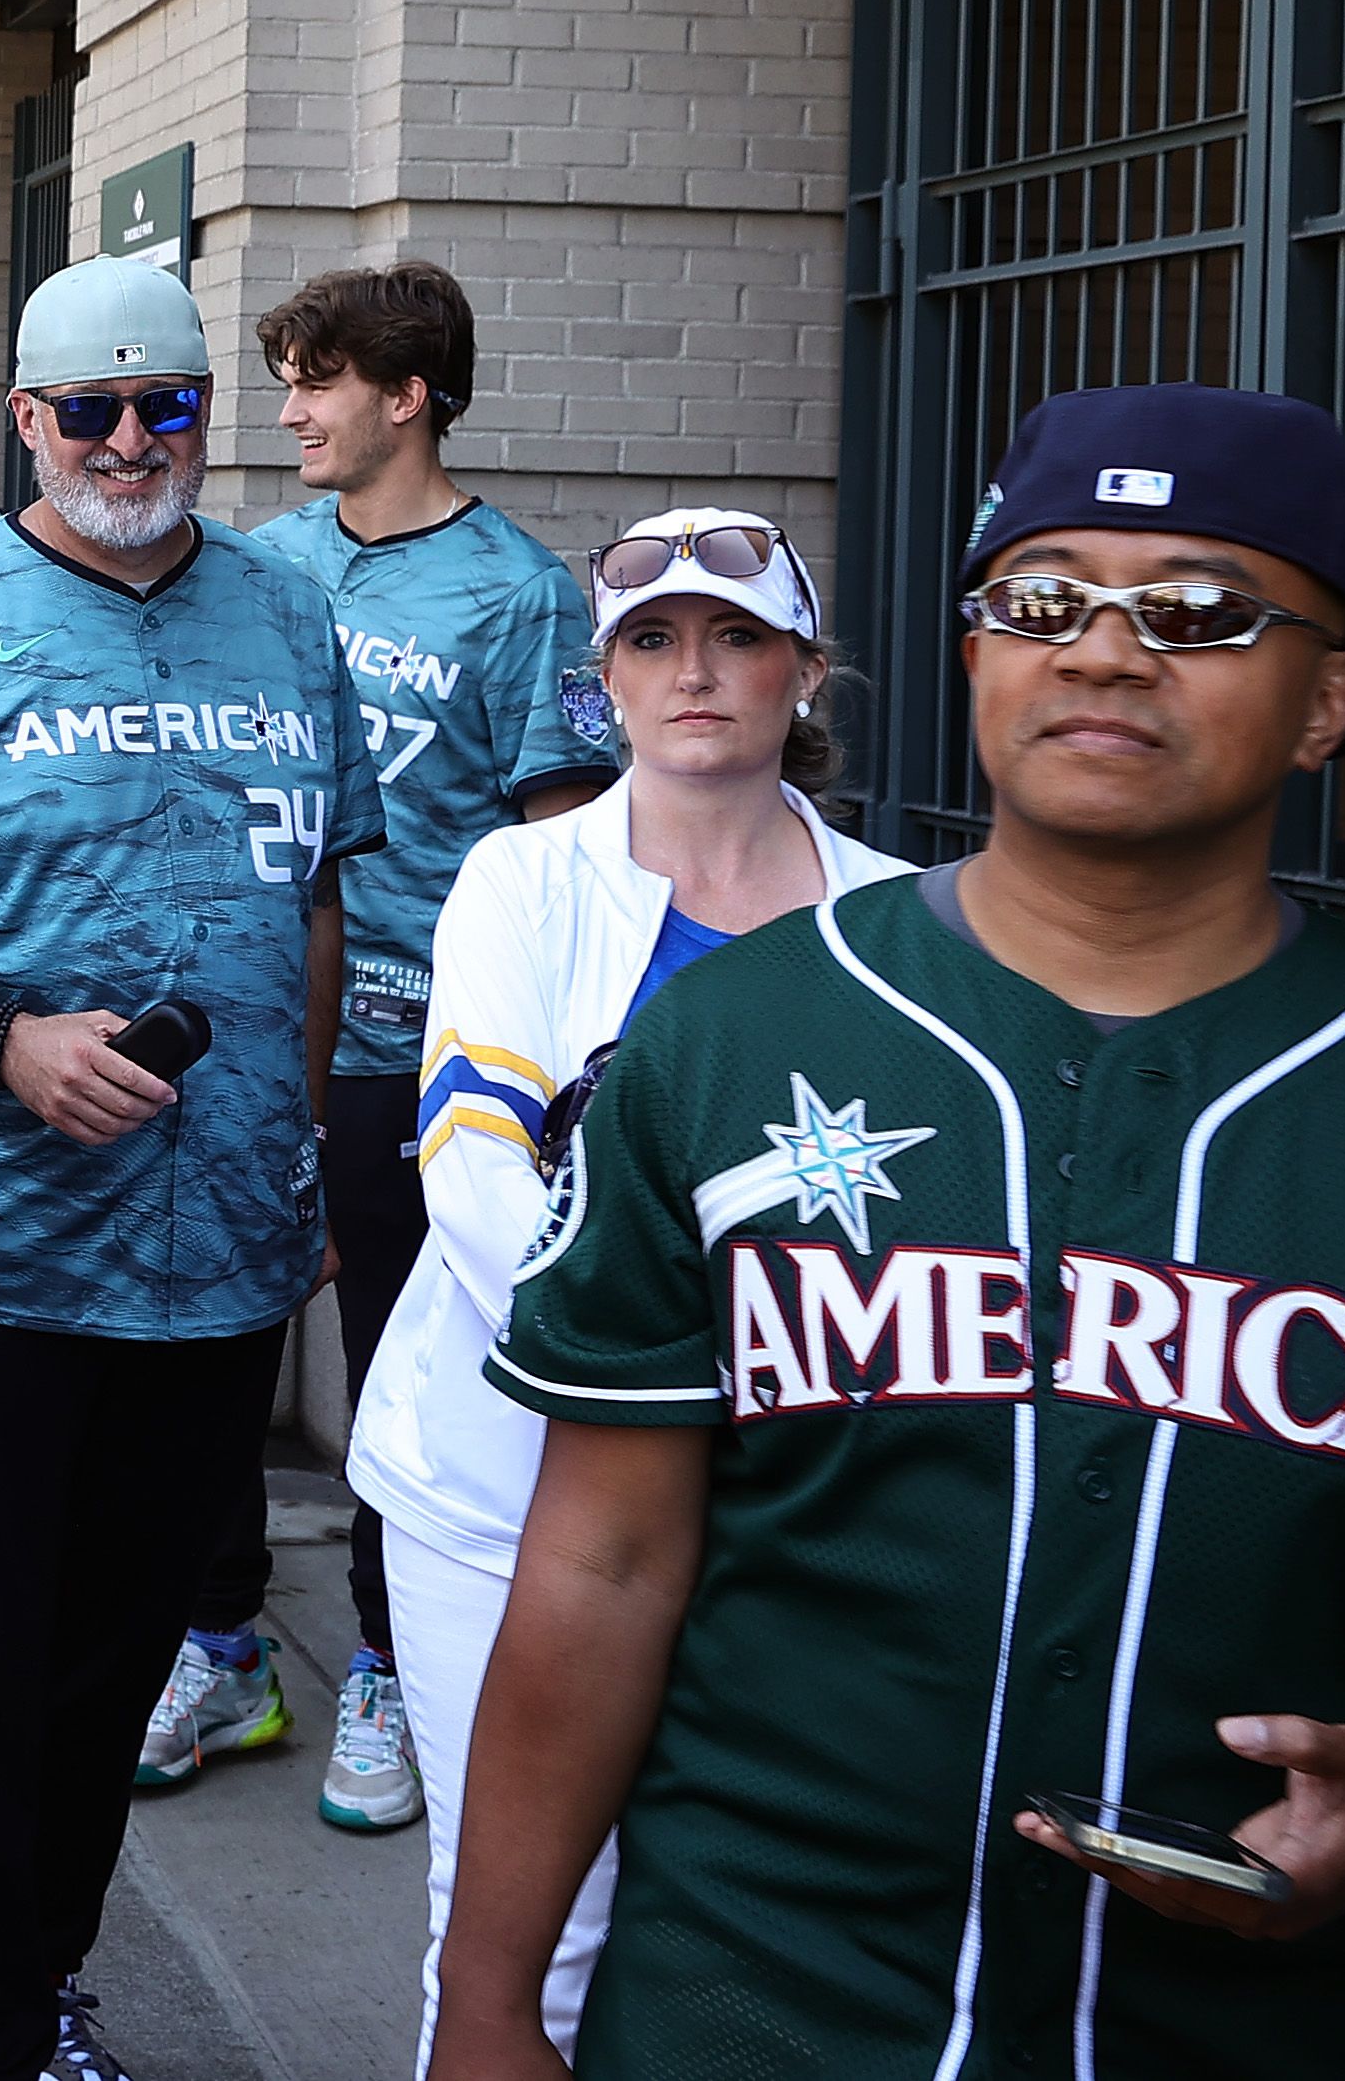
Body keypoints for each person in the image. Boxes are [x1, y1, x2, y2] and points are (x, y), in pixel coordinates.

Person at [441, 383, 1345, 2081]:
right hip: (751, 2012)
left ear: (1331, 701)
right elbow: (602, 1559)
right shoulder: (728, 1042)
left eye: (1202, 610)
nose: (1103, 650)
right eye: (1042, 597)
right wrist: (487, 2003)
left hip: (1264, 2033)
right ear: (976, 653)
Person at [0, 256, 380, 2081]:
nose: (135, 440)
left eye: (169, 405)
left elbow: (322, 897)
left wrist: (297, 1141)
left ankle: (43, 1974)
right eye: (93, 410)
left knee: (114, 1672)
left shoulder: (286, 613)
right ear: (26, 421)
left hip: (216, 1267)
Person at [344, 507, 906, 2064]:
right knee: (534, 1932)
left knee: (752, 1919)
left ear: (805, 670)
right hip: (505, 1500)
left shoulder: (905, 916)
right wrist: (683, 1392)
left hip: (797, 1506)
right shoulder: (520, 880)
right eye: (652, 641)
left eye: (737, 637)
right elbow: (475, 1182)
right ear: (605, 682)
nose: (697, 671)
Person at [155, 262, 611, 1824]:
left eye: (316, 382)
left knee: (402, 1374)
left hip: (419, 1046)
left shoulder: (521, 590)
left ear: (405, 395)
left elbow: (563, 837)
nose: (286, 410)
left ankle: (388, 1669)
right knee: (209, 1339)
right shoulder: (257, 562)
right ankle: (222, 1642)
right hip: (241, 1016)